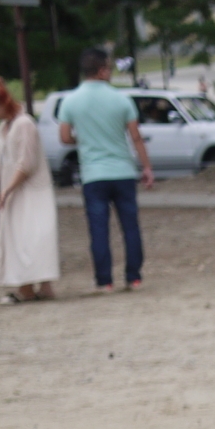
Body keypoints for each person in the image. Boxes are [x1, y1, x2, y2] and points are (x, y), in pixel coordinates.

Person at [58, 47, 154, 293]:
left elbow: (65, 137)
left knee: (98, 230)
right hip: (122, 171)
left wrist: (86, 139)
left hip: (93, 174)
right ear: (101, 71)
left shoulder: (70, 101)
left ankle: (105, 280)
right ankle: (133, 276)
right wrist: (147, 167)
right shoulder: (122, 100)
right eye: (109, 68)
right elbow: (136, 137)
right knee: (130, 226)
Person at [0, 76, 60, 305]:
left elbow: (26, 163)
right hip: (14, 191)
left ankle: (36, 287)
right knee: (18, 237)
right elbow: (2, 162)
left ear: (3, 101)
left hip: (32, 192)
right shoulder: (4, 127)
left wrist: (8, 188)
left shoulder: (24, 124)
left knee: (34, 237)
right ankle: (31, 287)